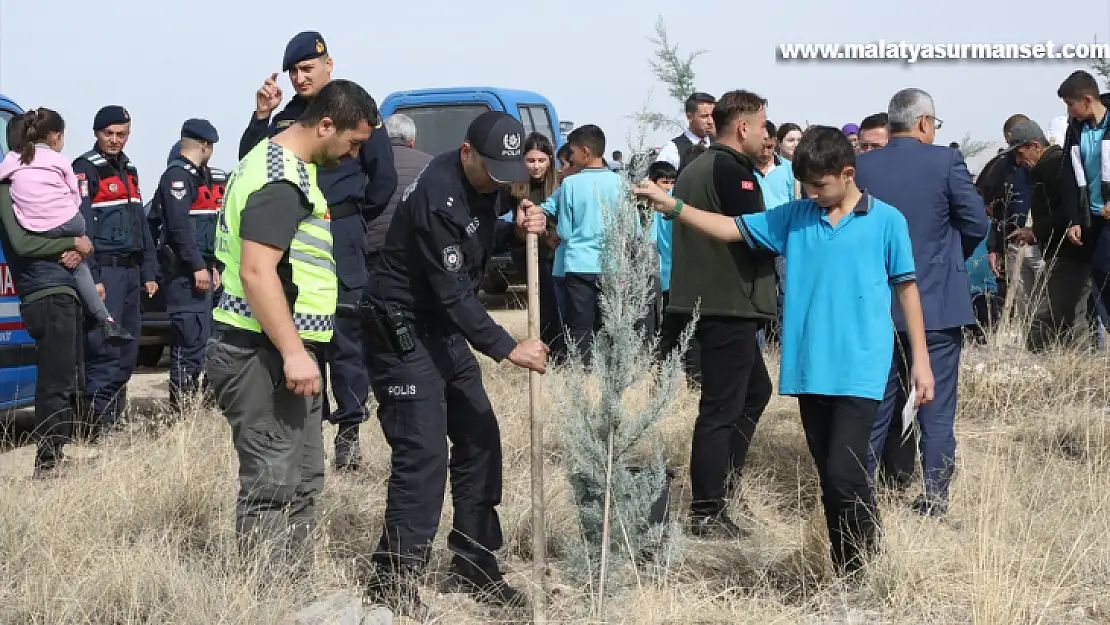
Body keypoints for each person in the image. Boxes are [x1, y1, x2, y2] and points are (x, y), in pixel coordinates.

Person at [634, 125, 935, 575]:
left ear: (847, 173)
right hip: (810, 368)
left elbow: (907, 290)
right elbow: (730, 229)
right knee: (832, 481)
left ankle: (860, 570)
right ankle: (852, 565)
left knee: (844, 474)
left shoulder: (887, 220)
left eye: (820, 185)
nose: (812, 194)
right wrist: (674, 207)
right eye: (805, 186)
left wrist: (922, 363)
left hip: (863, 366)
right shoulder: (794, 216)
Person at [361, 111, 548, 615]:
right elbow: (455, 297)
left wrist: (515, 229)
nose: (504, 180)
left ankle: (475, 558)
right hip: (402, 328)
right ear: (468, 153)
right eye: (495, 170)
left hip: (440, 329)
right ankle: (393, 579)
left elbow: (480, 234)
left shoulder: (483, 181)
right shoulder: (435, 198)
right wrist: (509, 348)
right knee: (422, 454)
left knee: (479, 433)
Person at [206, 79, 377, 575]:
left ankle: (294, 588)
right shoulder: (279, 177)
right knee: (272, 484)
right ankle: (267, 596)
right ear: (326, 124)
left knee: (303, 480)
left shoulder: (287, 168)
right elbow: (257, 272)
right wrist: (293, 352)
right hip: (262, 351)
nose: (352, 156)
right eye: (352, 143)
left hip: (285, 351)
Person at [241, 30, 398, 471]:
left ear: (329, 65)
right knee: (302, 330)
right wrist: (260, 115)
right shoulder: (288, 116)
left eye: (307, 68)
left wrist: (353, 216)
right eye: (293, 71)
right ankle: (302, 431)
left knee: (346, 336)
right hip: (295, 233)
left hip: (342, 230)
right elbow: (251, 162)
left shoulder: (357, 111)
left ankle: (348, 434)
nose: (299, 77)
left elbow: (382, 178)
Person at [856, 88, 989, 516]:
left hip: (875, 304)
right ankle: (934, 496)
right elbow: (977, 222)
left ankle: (860, 493)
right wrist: (949, 258)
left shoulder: (861, 167)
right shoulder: (945, 161)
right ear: (924, 123)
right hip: (935, 303)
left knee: (876, 403)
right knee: (936, 403)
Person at [667, 90, 777, 537]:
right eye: (764, 125)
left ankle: (721, 493)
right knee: (720, 409)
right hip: (727, 302)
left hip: (713, 299)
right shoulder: (732, 171)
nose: (767, 134)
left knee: (754, 392)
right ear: (744, 126)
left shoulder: (697, 164)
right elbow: (758, 234)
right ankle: (707, 510)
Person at [0, 117, 93, 477]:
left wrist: (78, 250)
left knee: (65, 377)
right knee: (54, 380)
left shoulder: (36, 184)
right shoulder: (8, 186)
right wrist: (71, 242)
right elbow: (23, 243)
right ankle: (48, 462)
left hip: (61, 288)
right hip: (44, 292)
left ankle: (58, 453)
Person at [0, 107, 131, 344]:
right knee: (80, 250)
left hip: (39, 232)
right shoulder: (60, 161)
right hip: (62, 244)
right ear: (55, 136)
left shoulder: (12, 165)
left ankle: (101, 319)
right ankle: (103, 319)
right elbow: (73, 193)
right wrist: (74, 239)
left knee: (78, 259)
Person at [72, 105, 158, 436]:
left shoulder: (130, 170)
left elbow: (141, 225)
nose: (114, 140)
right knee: (103, 347)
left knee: (127, 348)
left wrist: (150, 271)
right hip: (105, 272)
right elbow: (81, 229)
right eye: (108, 133)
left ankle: (113, 421)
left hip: (132, 273)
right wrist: (92, 276)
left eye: (121, 134)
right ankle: (94, 424)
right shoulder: (85, 168)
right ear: (96, 133)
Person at [148, 119, 225, 410]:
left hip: (202, 272)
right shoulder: (177, 178)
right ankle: (181, 414)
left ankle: (195, 411)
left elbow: (205, 229)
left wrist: (212, 265)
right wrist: (196, 266)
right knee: (188, 346)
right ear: (205, 145)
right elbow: (179, 229)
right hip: (184, 275)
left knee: (203, 345)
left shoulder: (199, 177)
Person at [543, 124, 622, 362]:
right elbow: (632, 229)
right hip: (611, 264)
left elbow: (565, 229)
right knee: (609, 322)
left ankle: (582, 371)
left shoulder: (571, 184)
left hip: (579, 263)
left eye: (573, 152)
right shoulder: (620, 183)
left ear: (585, 152)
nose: (572, 157)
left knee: (580, 323)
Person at [1010, 120, 1091, 351]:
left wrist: (1036, 231)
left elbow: (1069, 211)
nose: (1018, 161)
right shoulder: (1045, 167)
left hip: (1070, 253)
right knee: (1066, 316)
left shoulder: (1056, 165)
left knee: (1049, 315)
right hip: (1059, 253)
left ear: (1035, 145)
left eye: (1020, 153)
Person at [1057, 70, 1110, 328]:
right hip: (1092, 217)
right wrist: (1073, 220)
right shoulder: (1076, 130)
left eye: (1071, 104)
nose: (1070, 111)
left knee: (1102, 271)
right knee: (1097, 277)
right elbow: (1068, 175)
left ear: (1088, 100)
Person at [510, 132, 564, 357]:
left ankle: (561, 351)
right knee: (542, 307)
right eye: (531, 160)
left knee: (559, 306)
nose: (536, 166)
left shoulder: (561, 185)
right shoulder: (514, 188)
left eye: (541, 160)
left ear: (550, 160)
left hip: (556, 254)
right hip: (528, 253)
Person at [655, 92, 717, 168]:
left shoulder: (719, 143)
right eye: (704, 116)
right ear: (689, 117)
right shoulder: (673, 149)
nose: (710, 121)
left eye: (713, 116)